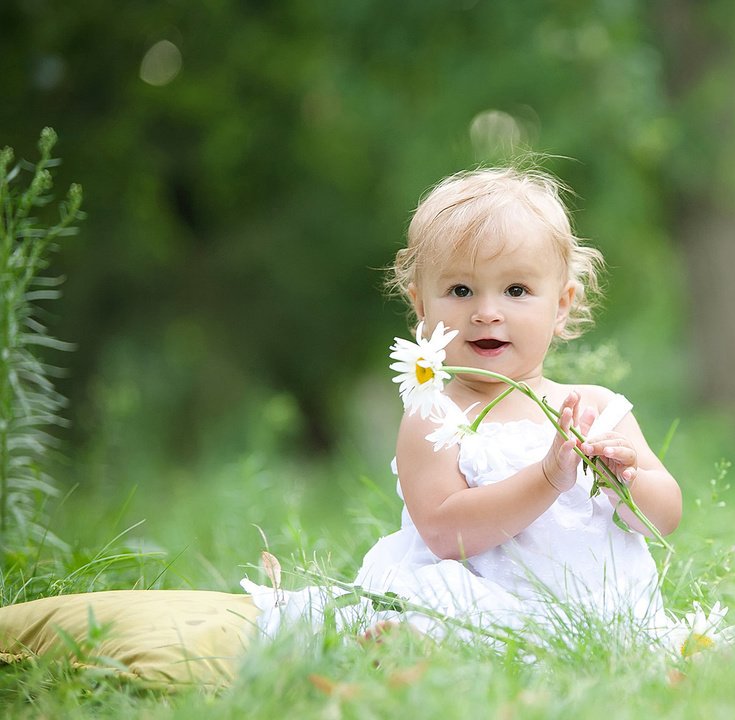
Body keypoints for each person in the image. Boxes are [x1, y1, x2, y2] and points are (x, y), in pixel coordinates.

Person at [241, 167, 682, 644]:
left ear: (561, 305)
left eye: (515, 291)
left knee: (656, 641)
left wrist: (625, 481)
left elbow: (663, 518)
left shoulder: (597, 407)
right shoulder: (434, 415)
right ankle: (418, 647)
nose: (486, 311)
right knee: (440, 608)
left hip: (599, 608)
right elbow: (444, 533)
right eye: (461, 290)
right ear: (421, 307)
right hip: (484, 601)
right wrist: (549, 477)